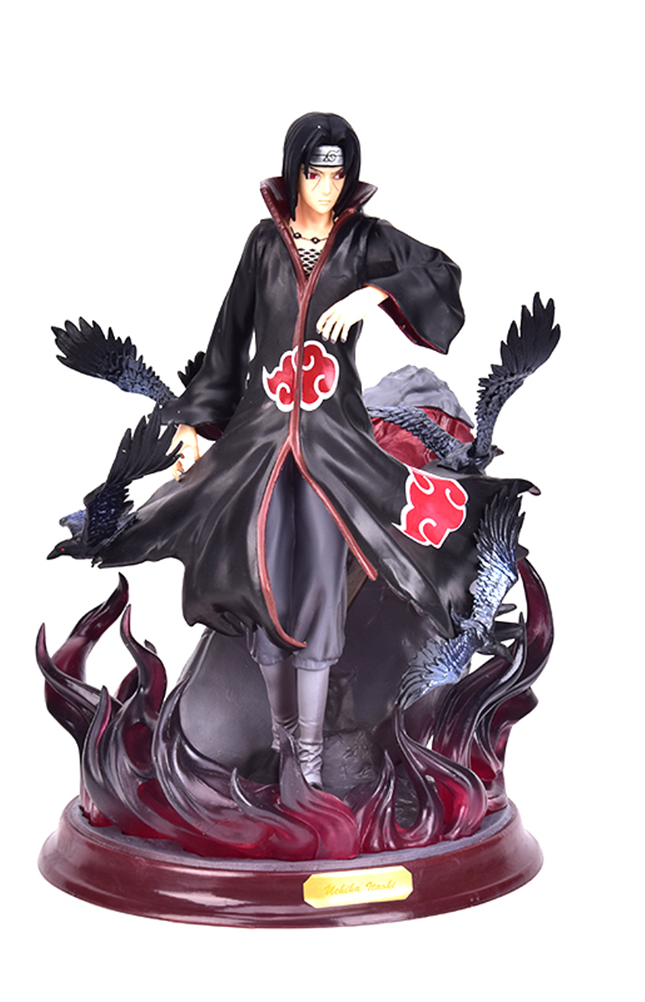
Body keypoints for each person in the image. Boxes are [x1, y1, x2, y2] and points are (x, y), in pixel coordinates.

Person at [98, 112, 498, 786]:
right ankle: (284, 738)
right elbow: (229, 339)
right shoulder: (264, 245)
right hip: (261, 442)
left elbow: (439, 272)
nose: (326, 186)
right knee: (262, 590)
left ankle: (307, 758)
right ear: (295, 173)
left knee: (317, 595)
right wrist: (194, 425)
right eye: (315, 173)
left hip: (332, 447)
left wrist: (376, 292)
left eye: (338, 174)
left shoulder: (364, 240)